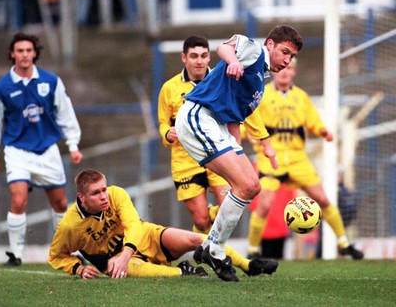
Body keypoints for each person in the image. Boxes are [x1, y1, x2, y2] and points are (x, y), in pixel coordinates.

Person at [175, 25, 303, 281]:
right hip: (198, 116)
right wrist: (233, 61)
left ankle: (209, 248)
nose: (287, 60)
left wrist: (236, 149)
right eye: (284, 52)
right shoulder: (254, 51)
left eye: (291, 57)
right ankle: (215, 249)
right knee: (245, 184)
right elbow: (224, 47)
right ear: (270, 45)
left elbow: (234, 119)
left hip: (218, 126)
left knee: (251, 185)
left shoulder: (258, 83)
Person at [49, 169, 278, 280]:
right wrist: (78, 268)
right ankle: (183, 271)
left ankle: (248, 265)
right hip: (119, 262)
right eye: (96, 193)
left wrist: (126, 253)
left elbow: (134, 226)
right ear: (82, 198)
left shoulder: (116, 194)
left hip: (146, 237)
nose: (103, 196)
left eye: (104, 189)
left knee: (195, 239)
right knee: (118, 268)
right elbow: (56, 256)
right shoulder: (69, 227)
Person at [246, 58, 364, 260]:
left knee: (323, 199)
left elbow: (313, 122)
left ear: (294, 72)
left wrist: (323, 131)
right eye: (282, 68)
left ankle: (343, 242)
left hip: (298, 160)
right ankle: (253, 249)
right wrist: (245, 132)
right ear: (274, 71)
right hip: (271, 160)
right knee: (264, 204)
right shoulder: (262, 95)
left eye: (289, 68)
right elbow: (247, 120)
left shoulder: (301, 97)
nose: (285, 72)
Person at [0, 32, 84, 266]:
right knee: (18, 200)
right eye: (19, 51)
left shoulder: (51, 81)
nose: (24, 55)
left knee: (60, 204)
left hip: (47, 150)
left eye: (28, 50)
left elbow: (66, 113)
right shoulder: (2, 87)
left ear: (34, 53)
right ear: (12, 54)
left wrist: (73, 145)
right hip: (17, 151)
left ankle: (65, 251)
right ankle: (15, 255)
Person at [158, 35, 229, 234]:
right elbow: (163, 123)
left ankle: (213, 251)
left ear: (209, 58)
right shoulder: (169, 88)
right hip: (185, 160)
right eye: (194, 56)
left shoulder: (220, 82)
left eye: (204, 56)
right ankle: (206, 251)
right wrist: (167, 134)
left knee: (231, 208)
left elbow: (237, 112)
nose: (199, 61)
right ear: (184, 58)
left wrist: (261, 138)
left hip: (218, 153)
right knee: (201, 220)